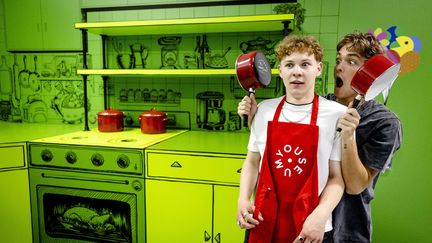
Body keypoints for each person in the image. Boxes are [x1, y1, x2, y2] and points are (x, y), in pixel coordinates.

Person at [238, 32, 403, 243]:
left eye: (351, 61)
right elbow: (265, 152)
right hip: (273, 219)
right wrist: (254, 118)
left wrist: (348, 135)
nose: (339, 67)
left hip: (344, 225)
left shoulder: (383, 122)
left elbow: (353, 185)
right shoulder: (318, 104)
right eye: (338, 60)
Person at [236, 35, 346, 243]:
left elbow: (336, 178)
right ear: (280, 71)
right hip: (262, 219)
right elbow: (252, 161)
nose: (297, 71)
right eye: (289, 65)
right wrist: (243, 199)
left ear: (319, 69)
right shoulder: (264, 110)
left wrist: (320, 216)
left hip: (311, 224)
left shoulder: (337, 114)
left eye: (305, 64)